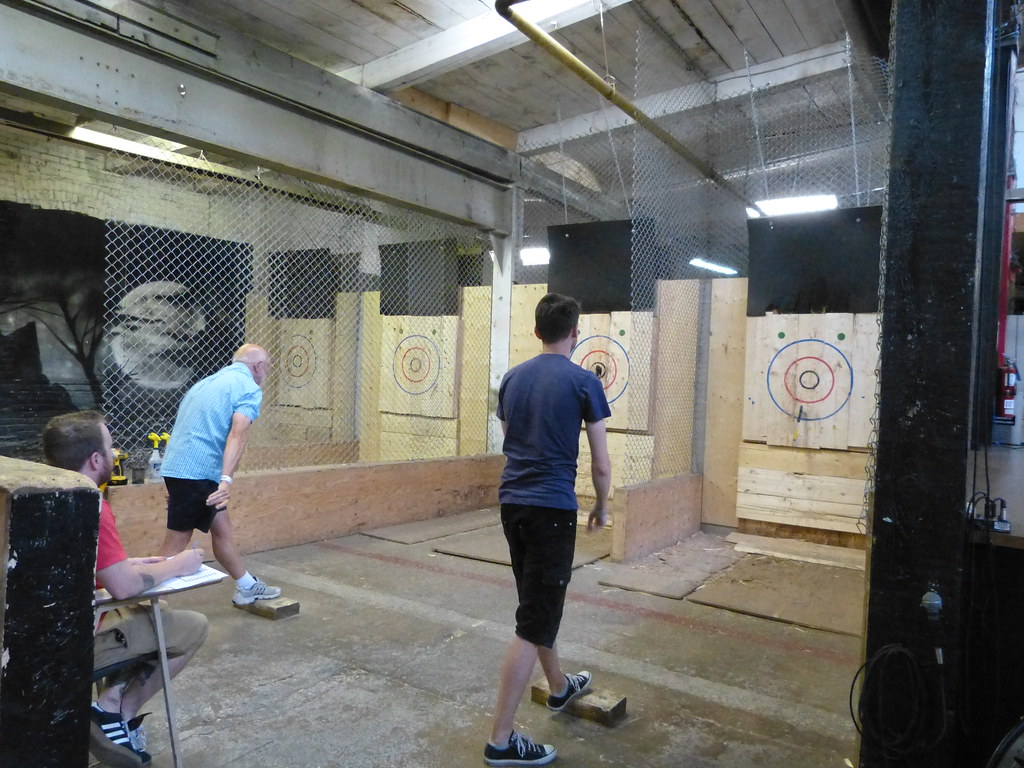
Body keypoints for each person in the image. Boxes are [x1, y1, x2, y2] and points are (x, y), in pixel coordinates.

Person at [483, 293, 612, 766]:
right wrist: (601, 504)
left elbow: (509, 438)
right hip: (552, 510)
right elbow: (600, 463)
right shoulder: (583, 382)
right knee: (533, 620)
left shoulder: (513, 378)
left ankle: (558, 687)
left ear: (537, 332)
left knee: (536, 602)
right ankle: (500, 742)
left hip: (512, 503)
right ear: (574, 334)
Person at [42, 410, 208, 768]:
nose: (116, 451)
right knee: (189, 625)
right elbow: (125, 587)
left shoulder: (43, 491)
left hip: (39, 632)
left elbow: (93, 569)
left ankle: (112, 707)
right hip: (67, 646)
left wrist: (132, 563)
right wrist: (179, 564)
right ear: (96, 459)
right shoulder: (91, 504)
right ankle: (116, 713)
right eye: (110, 445)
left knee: (150, 612)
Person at [158, 343, 282, 606]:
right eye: (267, 367)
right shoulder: (248, 387)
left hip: (180, 468)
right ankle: (145, 604)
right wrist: (226, 480)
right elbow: (238, 434)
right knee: (176, 542)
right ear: (257, 366)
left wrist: (176, 477)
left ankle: (247, 586)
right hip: (198, 473)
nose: (266, 373)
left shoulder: (207, 383)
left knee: (222, 528)